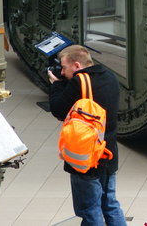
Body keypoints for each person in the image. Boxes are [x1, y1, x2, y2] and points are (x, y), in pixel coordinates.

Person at [48, 45, 127, 226]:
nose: (62, 72)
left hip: (87, 157)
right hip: (108, 152)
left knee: (90, 210)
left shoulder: (79, 82)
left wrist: (56, 85)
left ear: (76, 65)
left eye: (64, 68)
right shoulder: (110, 77)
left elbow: (58, 110)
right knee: (110, 204)